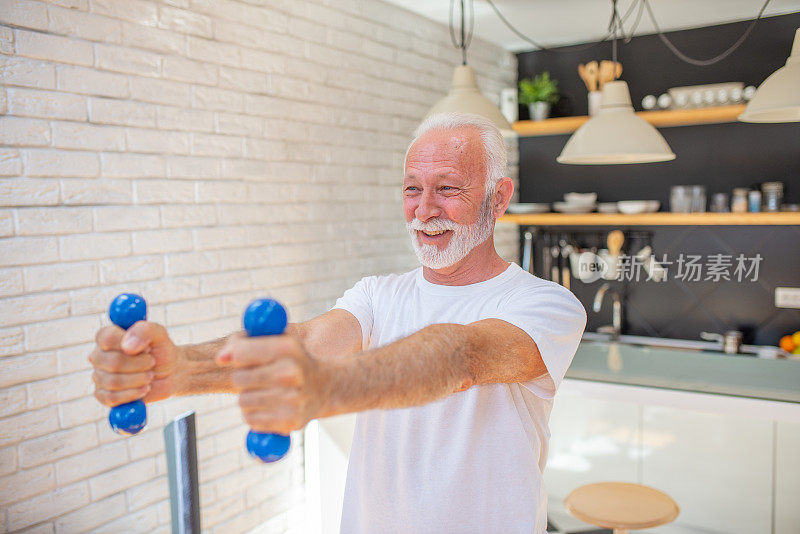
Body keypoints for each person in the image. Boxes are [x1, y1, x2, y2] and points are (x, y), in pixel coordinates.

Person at [89, 112, 587, 533]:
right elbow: (307, 342)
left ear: (498, 198)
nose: (425, 209)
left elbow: (463, 355)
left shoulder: (545, 304)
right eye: (412, 189)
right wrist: (180, 369)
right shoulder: (376, 294)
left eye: (448, 189)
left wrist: (323, 389)